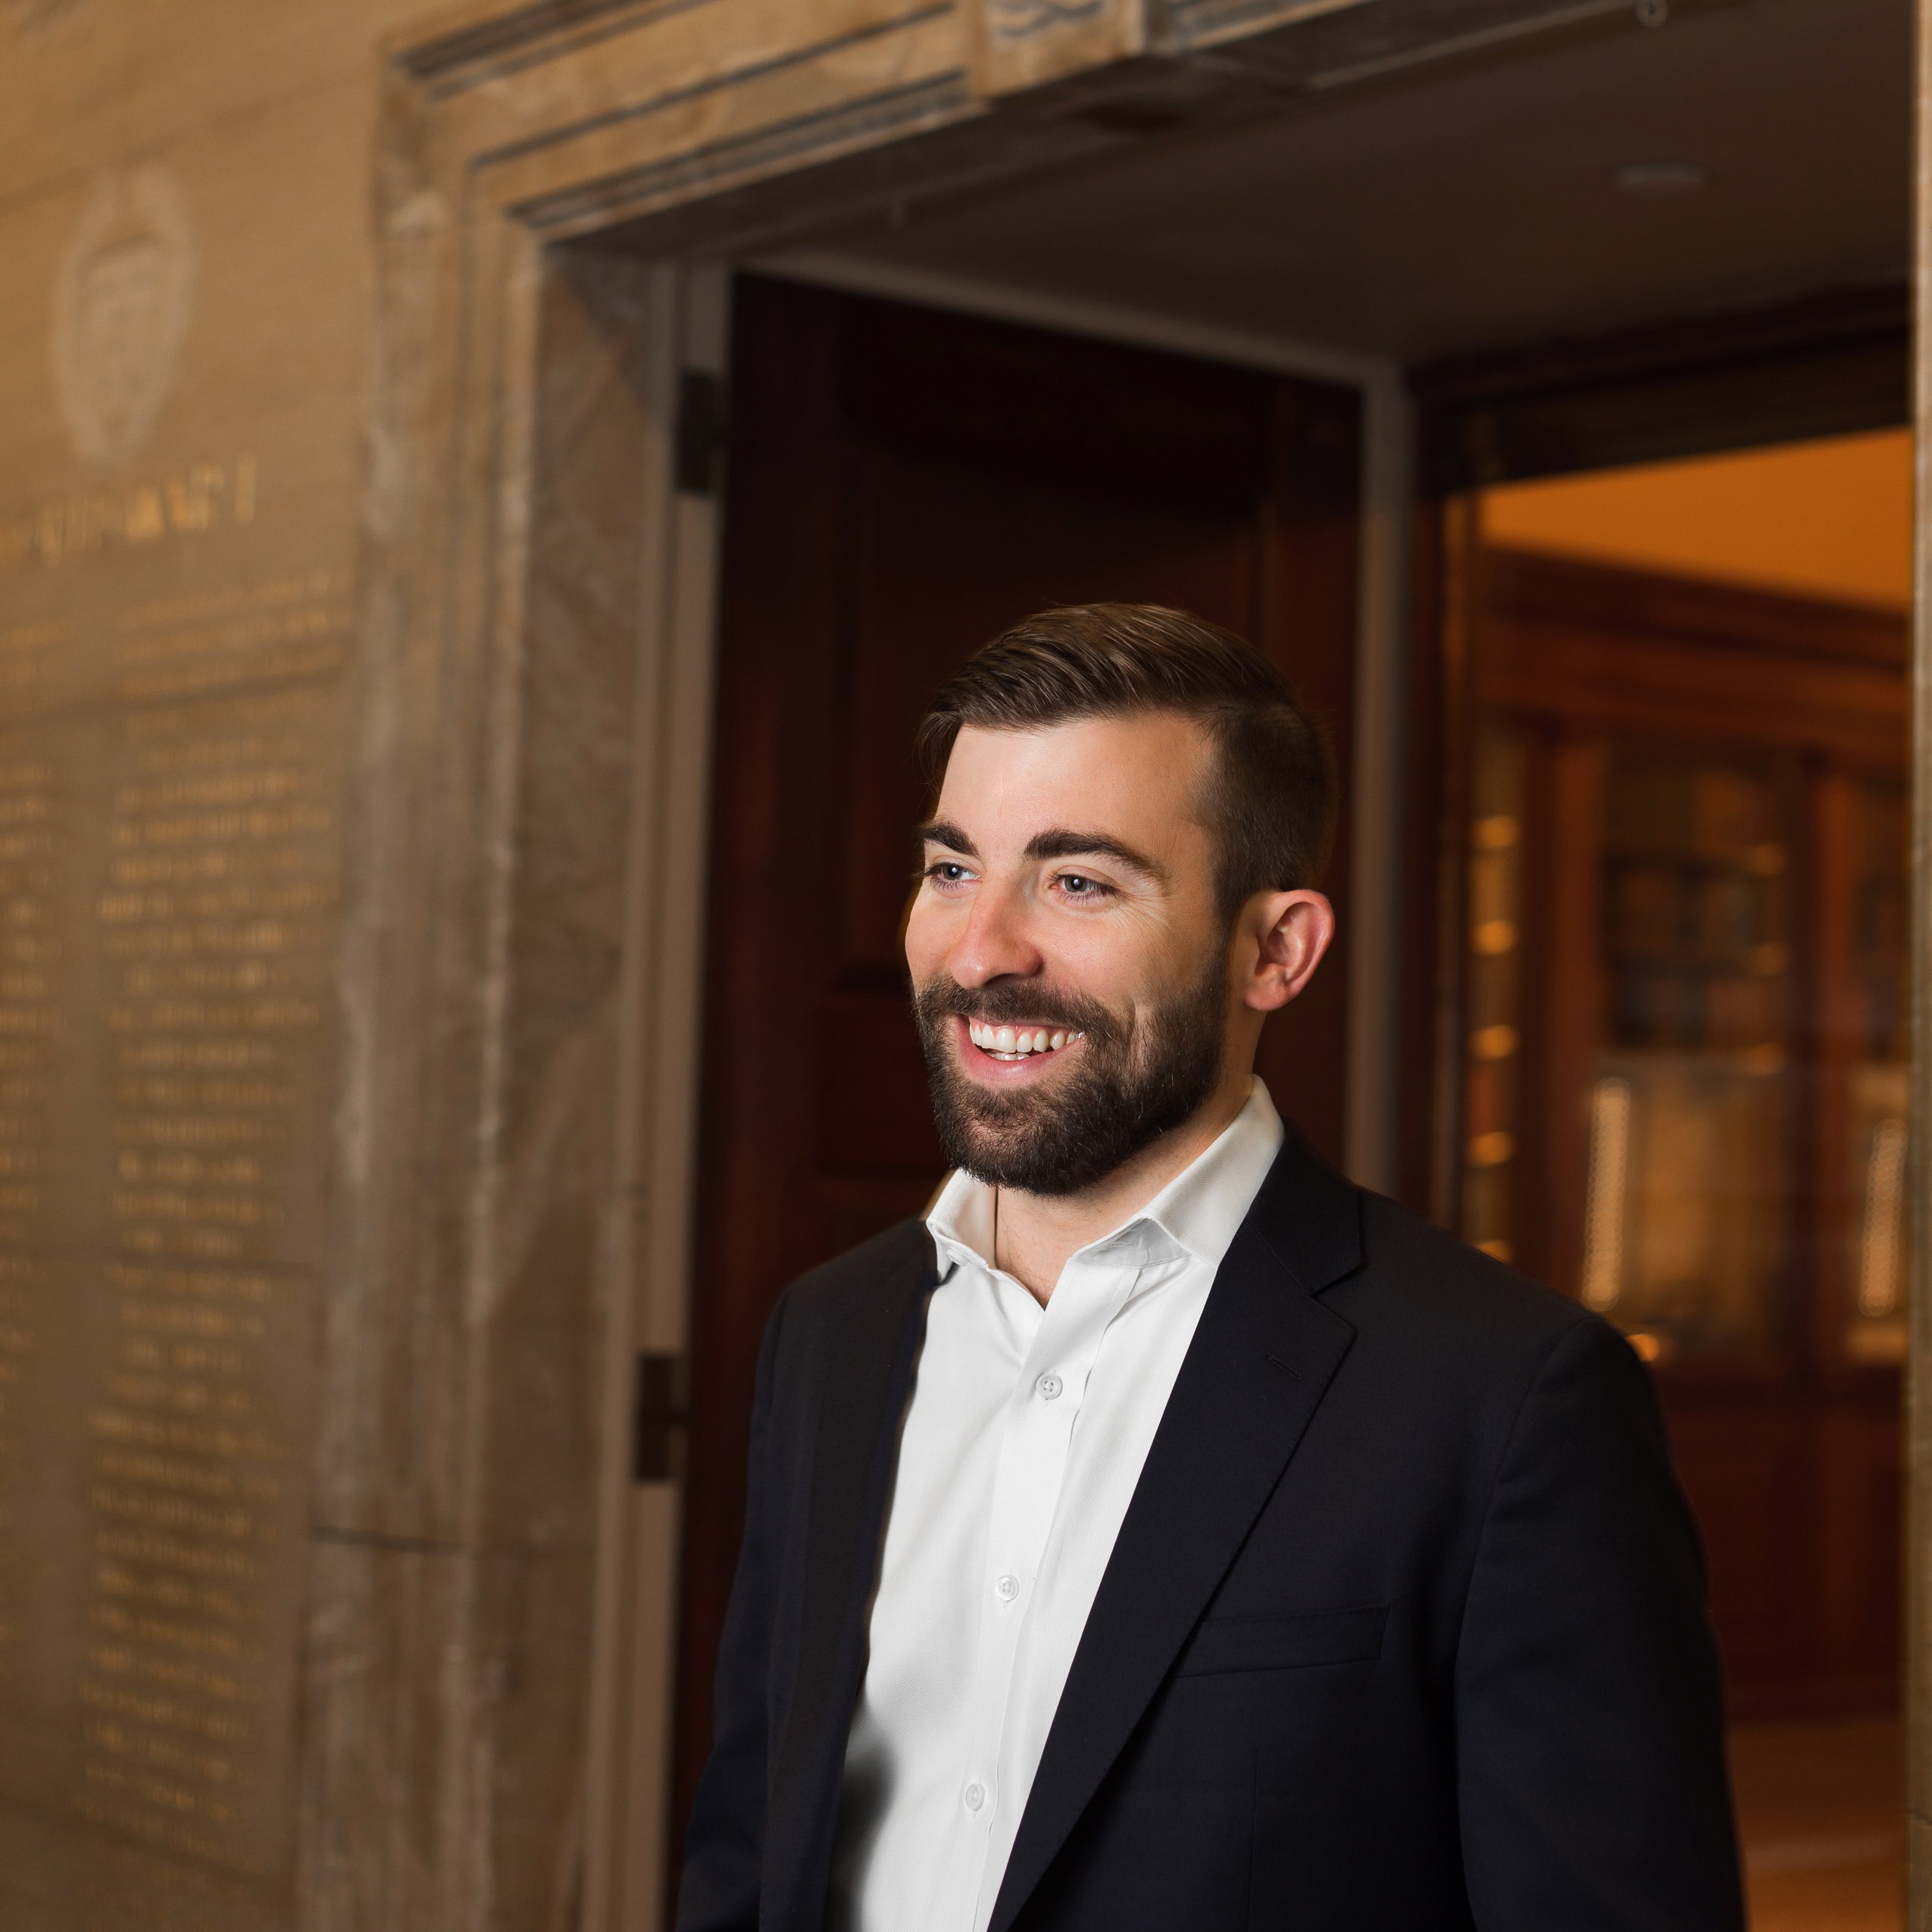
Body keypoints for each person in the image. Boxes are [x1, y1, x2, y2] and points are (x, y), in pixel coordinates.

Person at [675, 602, 1744, 1932]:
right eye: (952, 867)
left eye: (1079, 882)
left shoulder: (1503, 1397)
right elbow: (747, 1846)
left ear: (1273, 949)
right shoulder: (830, 1333)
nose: (980, 949)